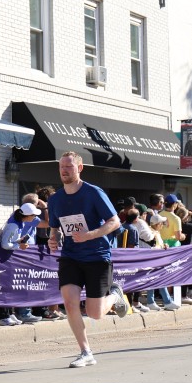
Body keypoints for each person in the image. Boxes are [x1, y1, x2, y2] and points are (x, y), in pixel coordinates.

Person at [46, 151, 129, 368]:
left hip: (97, 256)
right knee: (69, 302)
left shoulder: (93, 193)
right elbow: (55, 227)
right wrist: (53, 239)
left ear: (80, 168)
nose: (64, 171)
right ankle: (85, 352)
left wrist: (89, 235)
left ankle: (115, 295)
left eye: (69, 167)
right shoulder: (55, 199)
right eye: (61, 167)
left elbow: (114, 222)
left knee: (95, 313)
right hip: (71, 256)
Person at [0, 202, 43, 325]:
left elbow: (11, 241)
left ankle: (10, 314)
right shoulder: (14, 225)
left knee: (10, 287)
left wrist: (19, 241)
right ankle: (5, 316)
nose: (35, 217)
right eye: (33, 215)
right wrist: (19, 245)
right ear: (27, 215)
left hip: (9, 258)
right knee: (6, 287)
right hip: (5, 258)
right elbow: (5, 244)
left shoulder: (19, 223)